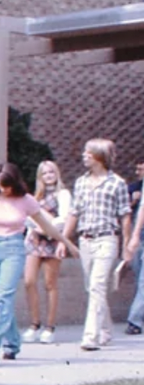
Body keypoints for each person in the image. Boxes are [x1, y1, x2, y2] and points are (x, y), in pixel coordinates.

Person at [0, 163, 75, 365]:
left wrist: (67, 243)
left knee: (3, 298)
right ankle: (12, 343)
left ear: (14, 183)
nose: (3, 190)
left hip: (13, 248)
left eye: (7, 186)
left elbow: (48, 226)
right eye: (0, 186)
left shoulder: (26, 200)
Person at [62, 138, 133, 351]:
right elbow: (74, 212)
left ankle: (90, 336)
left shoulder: (117, 183)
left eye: (88, 153)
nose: (84, 156)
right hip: (85, 240)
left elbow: (125, 216)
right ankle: (106, 329)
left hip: (107, 238)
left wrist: (127, 245)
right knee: (92, 287)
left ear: (99, 156)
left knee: (97, 285)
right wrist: (63, 240)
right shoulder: (81, 182)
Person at [22, 159, 73, 344]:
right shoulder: (35, 196)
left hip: (52, 239)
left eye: (51, 172)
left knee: (50, 284)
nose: (48, 176)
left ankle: (50, 327)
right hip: (35, 240)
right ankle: (34, 323)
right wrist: (34, 230)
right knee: (29, 281)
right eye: (44, 173)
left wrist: (48, 229)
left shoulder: (63, 194)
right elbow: (27, 217)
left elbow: (64, 218)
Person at [126, 160, 144, 336]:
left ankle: (134, 320)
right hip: (139, 235)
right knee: (140, 277)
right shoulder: (134, 187)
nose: (139, 171)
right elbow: (133, 212)